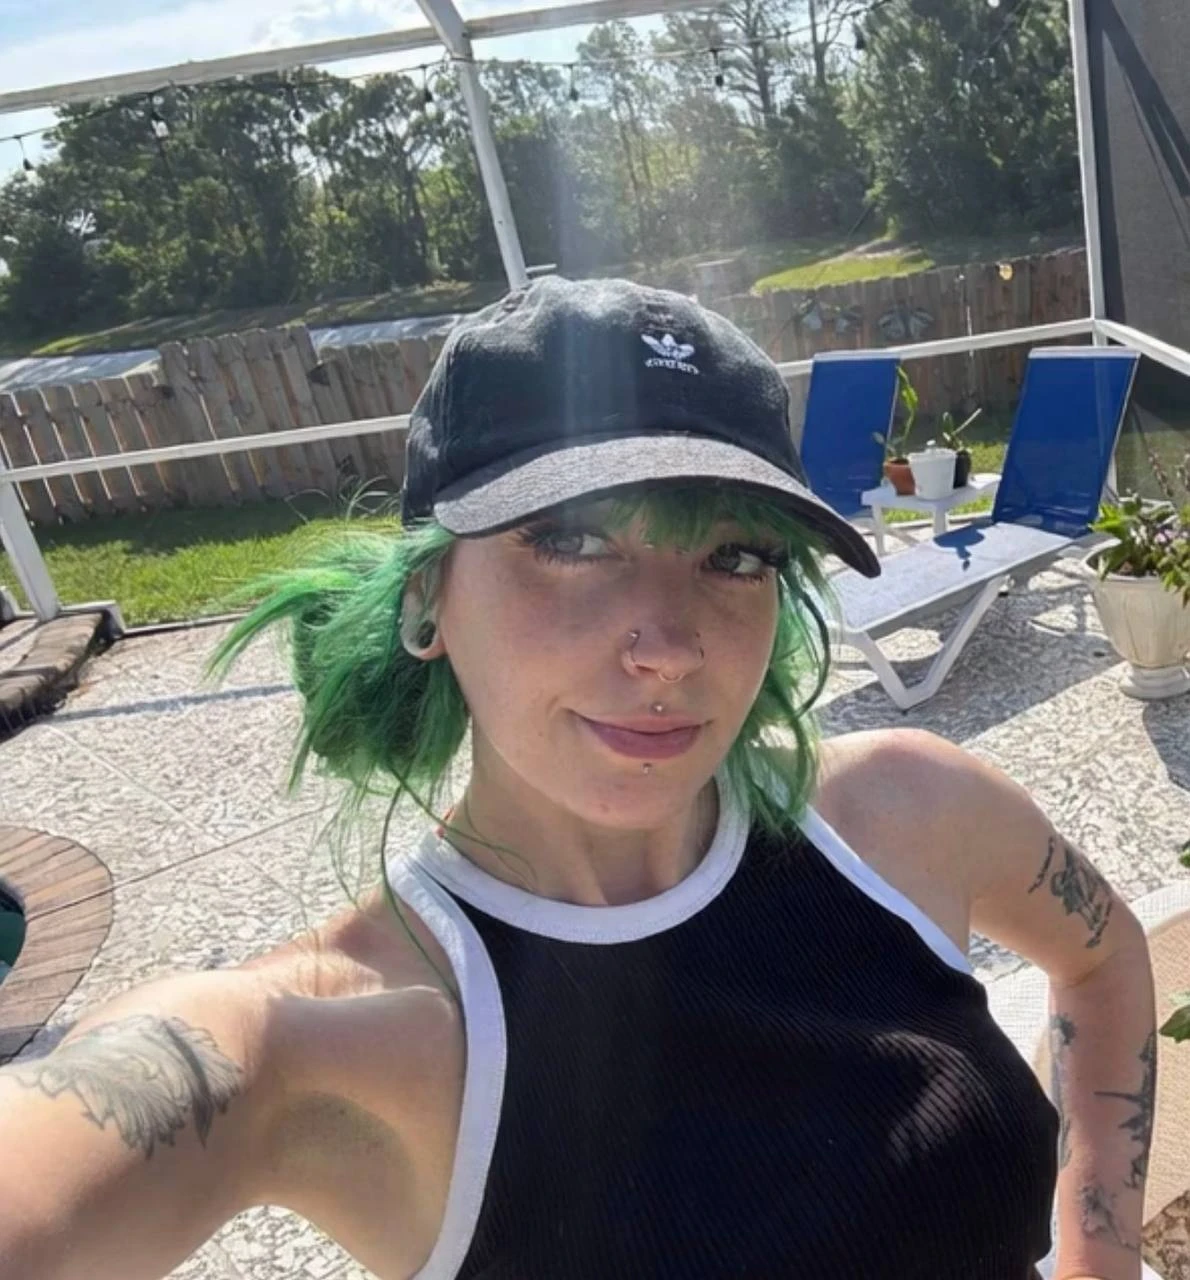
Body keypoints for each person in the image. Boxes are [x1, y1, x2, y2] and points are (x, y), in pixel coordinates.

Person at [0, 276, 1156, 1280]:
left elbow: (1102, 957)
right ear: (425, 595)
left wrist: (1096, 1245)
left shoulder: (901, 811)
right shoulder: (338, 1032)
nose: (668, 646)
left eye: (732, 554)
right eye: (569, 539)